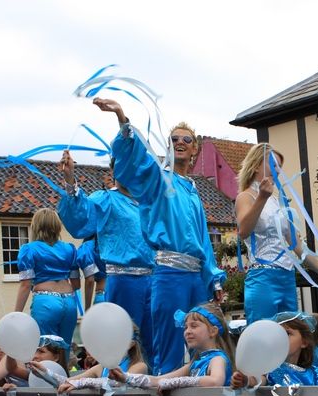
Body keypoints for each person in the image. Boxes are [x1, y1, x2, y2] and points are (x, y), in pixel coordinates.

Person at [93, 98, 226, 375]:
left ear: (195, 149)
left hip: (195, 276)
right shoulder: (159, 178)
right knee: (169, 344)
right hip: (169, 273)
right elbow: (137, 160)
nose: (179, 142)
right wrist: (121, 117)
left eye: (186, 139)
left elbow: (203, 240)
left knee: (202, 342)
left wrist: (213, 278)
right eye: (173, 138)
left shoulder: (192, 189)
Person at [58, 151, 156, 367]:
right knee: (125, 342)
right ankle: (120, 389)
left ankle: (153, 386)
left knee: (153, 342)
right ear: (113, 170)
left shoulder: (147, 203)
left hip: (153, 280)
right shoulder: (105, 199)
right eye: (122, 165)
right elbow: (80, 217)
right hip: (124, 280)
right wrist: (69, 180)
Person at [236, 143, 318, 323]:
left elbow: (297, 246)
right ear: (255, 166)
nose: (277, 170)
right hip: (263, 278)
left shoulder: (278, 202)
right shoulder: (245, 197)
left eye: (279, 167)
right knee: (265, 337)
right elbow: (244, 231)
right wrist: (261, 198)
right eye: (273, 164)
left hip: (286, 278)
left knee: (291, 337)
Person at [113, 303, 234, 391]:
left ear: (213, 331)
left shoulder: (217, 359)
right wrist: (126, 377)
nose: (187, 331)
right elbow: (158, 380)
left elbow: (215, 381)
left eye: (194, 326)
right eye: (186, 327)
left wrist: (176, 383)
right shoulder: (194, 364)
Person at [14, 208, 79, 350]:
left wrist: (16, 315)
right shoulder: (70, 249)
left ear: (35, 226)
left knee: (45, 350)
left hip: (45, 301)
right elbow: (76, 283)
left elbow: (25, 285)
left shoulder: (29, 249)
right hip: (69, 301)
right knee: (64, 350)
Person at [231, 312, 318, 388]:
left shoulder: (315, 373)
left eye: (287, 333)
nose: (281, 338)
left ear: (304, 342)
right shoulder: (271, 370)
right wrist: (246, 380)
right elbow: (258, 380)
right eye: (277, 334)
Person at [54, 326, 147, 393]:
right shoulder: (102, 367)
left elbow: (116, 384)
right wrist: (43, 371)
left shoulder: (138, 366)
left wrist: (82, 383)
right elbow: (67, 381)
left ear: (131, 344)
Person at [76, 237, 106, 309]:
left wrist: (87, 309)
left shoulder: (88, 248)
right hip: (120, 295)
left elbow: (90, 280)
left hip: (103, 296)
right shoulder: (116, 243)